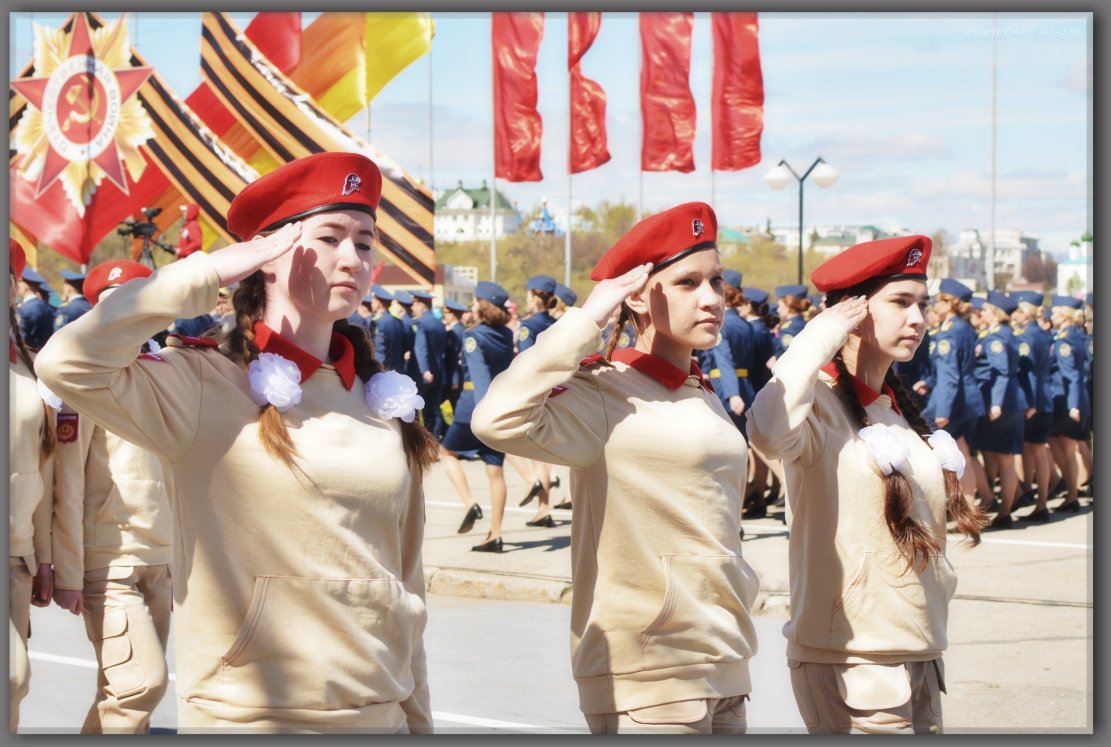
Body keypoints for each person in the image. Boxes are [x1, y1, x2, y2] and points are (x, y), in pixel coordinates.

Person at [36, 151, 439, 733]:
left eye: (366, 242)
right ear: (267, 256)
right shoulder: (203, 382)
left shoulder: (384, 402)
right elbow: (67, 363)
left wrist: (419, 720)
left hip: (379, 715)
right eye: (329, 237)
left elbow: (407, 583)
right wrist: (209, 272)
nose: (353, 258)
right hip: (248, 717)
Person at [473, 202, 760, 733]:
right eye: (688, 283)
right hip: (648, 666)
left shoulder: (702, 390)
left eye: (717, 282)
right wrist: (589, 316)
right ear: (637, 296)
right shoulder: (602, 392)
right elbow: (495, 419)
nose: (712, 299)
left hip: (723, 656)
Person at [748, 234, 987, 735]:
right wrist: (820, 334)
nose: (919, 319)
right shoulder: (817, 407)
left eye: (922, 304)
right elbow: (766, 428)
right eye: (900, 303)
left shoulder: (894, 410)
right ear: (852, 315)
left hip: (919, 646)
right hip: (853, 654)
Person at [49, 259, 175, 733]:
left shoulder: (167, 369)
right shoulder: (83, 378)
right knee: (141, 685)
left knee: (122, 693)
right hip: (110, 556)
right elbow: (69, 478)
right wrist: (69, 569)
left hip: (161, 554)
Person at [8, 239, 57, 733]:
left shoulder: (30, 367)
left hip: (18, 555)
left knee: (14, 693)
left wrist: (43, 558)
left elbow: (43, 468)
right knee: (11, 675)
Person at [439, 282, 515, 549]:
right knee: (495, 471)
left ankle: (470, 503)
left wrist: (484, 413)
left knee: (446, 453)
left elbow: (480, 378)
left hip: (473, 408)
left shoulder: (473, 336)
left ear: (482, 306)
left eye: (474, 302)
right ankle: (496, 534)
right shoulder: (506, 334)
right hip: (499, 406)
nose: (471, 306)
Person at [922, 279, 988, 510]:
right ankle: (973, 504)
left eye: (938, 302)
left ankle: (965, 506)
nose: (934, 307)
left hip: (954, 402)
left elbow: (950, 375)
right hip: (966, 399)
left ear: (949, 304)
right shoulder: (962, 327)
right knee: (964, 453)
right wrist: (927, 381)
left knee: (955, 456)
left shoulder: (950, 332)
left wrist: (943, 411)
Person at [973, 291, 1027, 529]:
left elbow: (1001, 371)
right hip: (1008, 399)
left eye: (985, 309)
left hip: (1003, 402)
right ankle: (1010, 502)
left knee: (1004, 458)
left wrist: (996, 403)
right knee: (997, 454)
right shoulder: (1001, 333)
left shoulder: (997, 337)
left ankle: (1005, 512)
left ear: (995, 312)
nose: (981, 312)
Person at [1011, 291, 1054, 522]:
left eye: (1019, 310)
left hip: (1036, 399)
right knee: (1031, 448)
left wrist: (1031, 402)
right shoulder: (1036, 332)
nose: (1015, 314)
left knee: (1037, 449)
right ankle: (1031, 493)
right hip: (1040, 397)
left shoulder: (1030, 335)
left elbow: (1030, 374)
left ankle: (1041, 503)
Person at [1047, 295, 1090, 513]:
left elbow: (1071, 375)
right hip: (1066, 398)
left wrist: (1073, 405)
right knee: (1060, 447)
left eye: (1055, 312)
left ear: (1064, 314)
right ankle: (1071, 490)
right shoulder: (1075, 335)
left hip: (1067, 400)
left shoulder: (1065, 339)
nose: (1051, 316)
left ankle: (1072, 495)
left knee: (1068, 450)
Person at [407, 289, 447, 438]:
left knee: (415, 410)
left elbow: (420, 347)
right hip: (438, 371)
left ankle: (418, 444)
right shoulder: (439, 323)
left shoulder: (421, 323)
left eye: (414, 304)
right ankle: (435, 443)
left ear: (421, 304)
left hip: (422, 373)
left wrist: (425, 370)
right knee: (433, 409)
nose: (412, 308)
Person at [367, 285, 407, 375]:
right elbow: (404, 346)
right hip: (398, 369)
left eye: (373, 301)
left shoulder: (377, 322)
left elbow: (379, 350)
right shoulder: (398, 321)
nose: (371, 304)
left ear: (378, 303)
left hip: (383, 370)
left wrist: (377, 371)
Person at [441, 298, 468, 415]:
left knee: (451, 405)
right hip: (458, 374)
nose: (444, 316)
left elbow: (454, 357)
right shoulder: (462, 329)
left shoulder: (454, 332)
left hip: (454, 375)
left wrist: (454, 379)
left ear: (452, 315)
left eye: (446, 313)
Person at [17, 266, 56, 350]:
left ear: (25, 287)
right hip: (46, 353)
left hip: (29, 356)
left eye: (20, 282)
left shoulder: (24, 310)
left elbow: (20, 337)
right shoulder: (48, 307)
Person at [772, 284, 810, 361]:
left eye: (780, 306)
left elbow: (790, 358)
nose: (778, 310)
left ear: (789, 306)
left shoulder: (787, 329)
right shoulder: (805, 323)